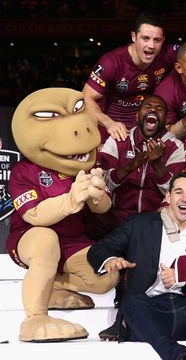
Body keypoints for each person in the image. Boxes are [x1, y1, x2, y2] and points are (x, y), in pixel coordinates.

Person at [87, 172, 186, 360]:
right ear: (168, 197)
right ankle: (178, 356)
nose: (185, 198)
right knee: (131, 298)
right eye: (178, 192)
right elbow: (98, 249)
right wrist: (109, 260)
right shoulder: (140, 224)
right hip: (150, 312)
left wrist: (183, 277)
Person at [6, 88, 119, 342]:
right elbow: (33, 215)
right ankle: (35, 319)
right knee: (46, 241)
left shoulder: (91, 165)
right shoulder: (25, 171)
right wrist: (70, 200)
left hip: (71, 241)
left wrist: (98, 195)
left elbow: (103, 208)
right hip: (30, 238)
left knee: (107, 274)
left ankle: (55, 286)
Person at [83, 13, 186, 142]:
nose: (151, 45)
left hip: (147, 132)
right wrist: (109, 123)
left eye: (157, 40)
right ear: (134, 37)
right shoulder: (111, 62)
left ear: (163, 41)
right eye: (145, 38)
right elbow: (86, 98)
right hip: (113, 132)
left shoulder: (166, 54)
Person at [95, 95, 186, 239]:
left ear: (167, 119)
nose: (153, 110)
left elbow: (177, 192)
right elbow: (101, 181)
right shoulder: (118, 139)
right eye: (148, 107)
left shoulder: (175, 147)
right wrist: (130, 166)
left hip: (155, 220)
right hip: (116, 217)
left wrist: (157, 165)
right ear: (138, 116)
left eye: (159, 109)